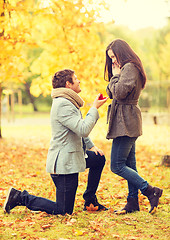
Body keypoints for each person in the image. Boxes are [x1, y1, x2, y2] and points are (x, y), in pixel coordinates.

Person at [4, 69, 108, 215]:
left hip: (73, 157)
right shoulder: (63, 105)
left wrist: (91, 146)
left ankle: (90, 200)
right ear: (68, 84)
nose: (79, 81)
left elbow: (75, 128)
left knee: (98, 158)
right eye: (76, 78)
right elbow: (83, 128)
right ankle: (20, 197)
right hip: (64, 166)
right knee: (64, 210)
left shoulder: (68, 102)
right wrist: (94, 108)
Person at [104, 39, 163, 214]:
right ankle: (132, 203)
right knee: (130, 164)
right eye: (110, 58)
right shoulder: (124, 69)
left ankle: (150, 190)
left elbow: (119, 93)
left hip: (126, 121)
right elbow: (110, 93)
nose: (113, 61)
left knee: (116, 165)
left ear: (121, 52)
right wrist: (115, 77)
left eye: (114, 56)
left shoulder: (129, 67)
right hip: (125, 119)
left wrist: (115, 76)